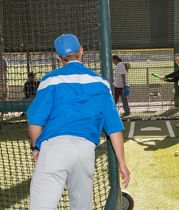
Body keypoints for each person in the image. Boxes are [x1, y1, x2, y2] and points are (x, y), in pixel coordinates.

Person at [27, 34, 130, 210]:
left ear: (58, 57)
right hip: (85, 151)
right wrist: (122, 163)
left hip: (54, 148)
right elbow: (114, 129)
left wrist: (36, 147)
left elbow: (35, 122)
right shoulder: (101, 82)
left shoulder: (50, 80)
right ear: (81, 52)